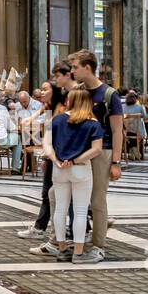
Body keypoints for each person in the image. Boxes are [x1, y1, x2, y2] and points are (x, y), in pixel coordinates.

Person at [70, 49, 122, 261]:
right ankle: (77, 239)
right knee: (71, 195)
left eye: (75, 67)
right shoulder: (78, 92)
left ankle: (99, 245)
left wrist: (116, 161)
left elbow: (118, 130)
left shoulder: (109, 95)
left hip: (104, 151)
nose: (72, 70)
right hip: (81, 150)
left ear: (88, 68)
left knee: (97, 199)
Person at [47, 86, 105, 264]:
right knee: (80, 212)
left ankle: (62, 249)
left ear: (69, 101)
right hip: (81, 169)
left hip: (59, 169)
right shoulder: (93, 123)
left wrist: (56, 160)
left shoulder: (56, 120)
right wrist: (76, 159)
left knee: (60, 209)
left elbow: (47, 146)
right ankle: (78, 253)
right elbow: (97, 149)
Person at [19, 62, 74, 241]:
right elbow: (37, 118)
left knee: (51, 193)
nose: (42, 93)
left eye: (45, 89)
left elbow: (57, 133)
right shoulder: (51, 107)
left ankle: (48, 230)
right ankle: (86, 221)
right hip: (53, 154)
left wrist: (46, 154)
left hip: (60, 155)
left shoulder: (61, 106)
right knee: (51, 192)